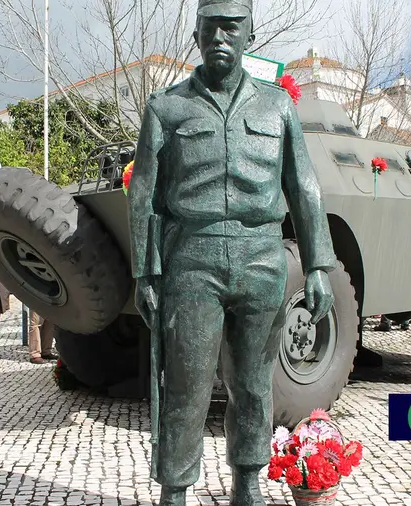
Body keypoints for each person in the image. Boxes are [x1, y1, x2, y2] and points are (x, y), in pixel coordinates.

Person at [127, 1, 337, 503]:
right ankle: (175, 488)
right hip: (192, 260)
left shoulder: (277, 106)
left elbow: (304, 185)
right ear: (196, 35)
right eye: (210, 28)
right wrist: (145, 272)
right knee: (187, 385)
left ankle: (248, 482)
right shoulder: (166, 106)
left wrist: (318, 265)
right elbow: (144, 194)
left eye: (231, 28)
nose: (220, 37)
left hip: (261, 257)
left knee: (253, 384)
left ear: (249, 36)